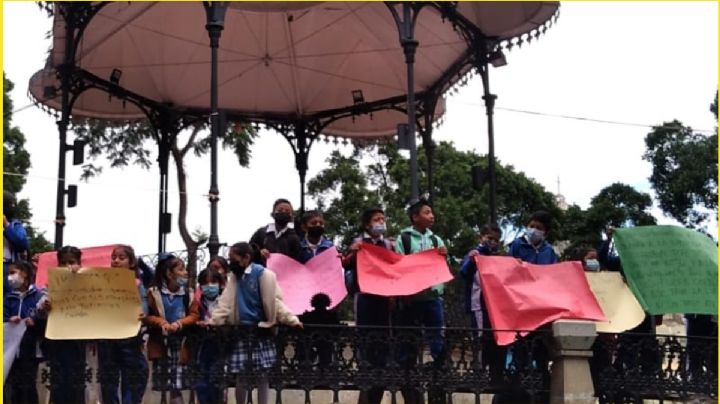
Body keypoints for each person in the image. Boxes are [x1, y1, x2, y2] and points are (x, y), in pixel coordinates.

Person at [211, 242, 302, 404]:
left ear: (246, 258)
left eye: (234, 259)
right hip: (241, 332)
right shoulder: (234, 278)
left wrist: (292, 320)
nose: (231, 263)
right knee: (241, 376)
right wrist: (214, 321)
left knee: (262, 376)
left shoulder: (264, 276)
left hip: (261, 331)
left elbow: (275, 303)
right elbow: (225, 303)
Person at [394, 199, 449, 404]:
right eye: (427, 212)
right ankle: (408, 373)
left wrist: (445, 256)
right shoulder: (405, 238)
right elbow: (400, 263)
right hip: (413, 297)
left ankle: (438, 372)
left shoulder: (436, 240)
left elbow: (445, 265)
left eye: (432, 212)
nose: (431, 216)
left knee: (436, 334)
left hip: (433, 297)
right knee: (409, 337)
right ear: (415, 217)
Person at [342, 207, 395, 404]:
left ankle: (379, 374)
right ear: (367, 224)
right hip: (364, 296)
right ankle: (366, 372)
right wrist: (353, 254)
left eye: (382, 219)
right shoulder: (359, 243)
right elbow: (345, 265)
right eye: (376, 219)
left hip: (383, 297)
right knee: (365, 337)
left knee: (383, 338)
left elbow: (393, 268)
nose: (381, 222)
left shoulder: (388, 245)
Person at [97, 245, 149, 404]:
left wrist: (143, 312)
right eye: (114, 258)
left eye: (121, 258)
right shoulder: (102, 281)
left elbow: (144, 302)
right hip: (107, 338)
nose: (116, 261)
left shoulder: (137, 283)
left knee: (134, 375)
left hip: (129, 338)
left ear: (131, 263)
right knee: (108, 380)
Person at [144, 254, 199, 404]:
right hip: (162, 343)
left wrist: (180, 323)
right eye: (181, 269)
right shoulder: (154, 293)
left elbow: (194, 314)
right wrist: (161, 322)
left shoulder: (189, 293)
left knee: (178, 383)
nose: (185, 273)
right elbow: (146, 316)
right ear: (169, 274)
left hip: (180, 343)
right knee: (164, 384)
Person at [39, 246, 87, 404]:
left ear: (79, 263)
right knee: (58, 381)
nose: (67, 266)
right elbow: (40, 304)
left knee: (77, 380)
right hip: (57, 339)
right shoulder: (52, 284)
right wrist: (44, 306)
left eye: (71, 262)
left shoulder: (88, 283)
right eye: (63, 262)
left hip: (78, 340)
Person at [459, 224, 504, 384]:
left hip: (495, 308)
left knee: (496, 338)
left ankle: (496, 374)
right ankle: (479, 371)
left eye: (495, 240)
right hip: (477, 305)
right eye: (489, 238)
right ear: (481, 237)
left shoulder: (497, 257)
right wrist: (472, 260)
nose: (492, 242)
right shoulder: (474, 255)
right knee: (480, 338)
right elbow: (464, 273)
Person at [4, 260, 46, 404]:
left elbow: (44, 318)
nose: (9, 277)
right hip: (12, 352)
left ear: (25, 274)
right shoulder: (8, 298)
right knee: (14, 385)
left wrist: (34, 321)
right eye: (8, 273)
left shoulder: (38, 296)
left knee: (29, 384)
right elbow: (3, 319)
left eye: (13, 273)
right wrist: (9, 319)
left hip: (31, 349)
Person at [194, 266, 227, 404]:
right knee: (202, 379)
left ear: (220, 284)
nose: (209, 286)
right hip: (202, 345)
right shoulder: (197, 303)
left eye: (213, 282)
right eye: (205, 283)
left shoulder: (226, 301)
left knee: (217, 379)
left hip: (221, 344)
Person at [249, 198, 301, 264]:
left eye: (287, 211)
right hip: (262, 272)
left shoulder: (294, 237)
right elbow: (249, 250)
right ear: (273, 214)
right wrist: (259, 252)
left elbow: (297, 261)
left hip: (284, 273)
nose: (283, 212)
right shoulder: (261, 232)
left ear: (291, 215)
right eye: (280, 210)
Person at [4, 191, 29, 298]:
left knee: (10, 298)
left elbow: (22, 243)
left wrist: (6, 226)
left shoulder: (15, 225)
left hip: (8, 267)